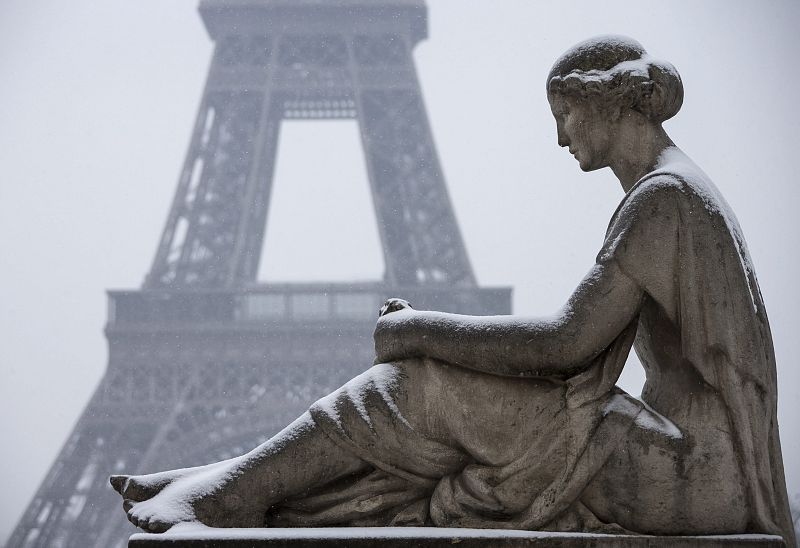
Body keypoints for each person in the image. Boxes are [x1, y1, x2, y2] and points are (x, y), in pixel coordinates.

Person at [110, 36, 795, 544]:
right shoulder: (675, 191)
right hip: (686, 460)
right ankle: (232, 479)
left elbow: (565, 345)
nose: (559, 137)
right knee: (431, 401)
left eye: (563, 113)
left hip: (693, 475)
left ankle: (231, 492)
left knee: (421, 387)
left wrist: (418, 328)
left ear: (604, 102)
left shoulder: (663, 200)